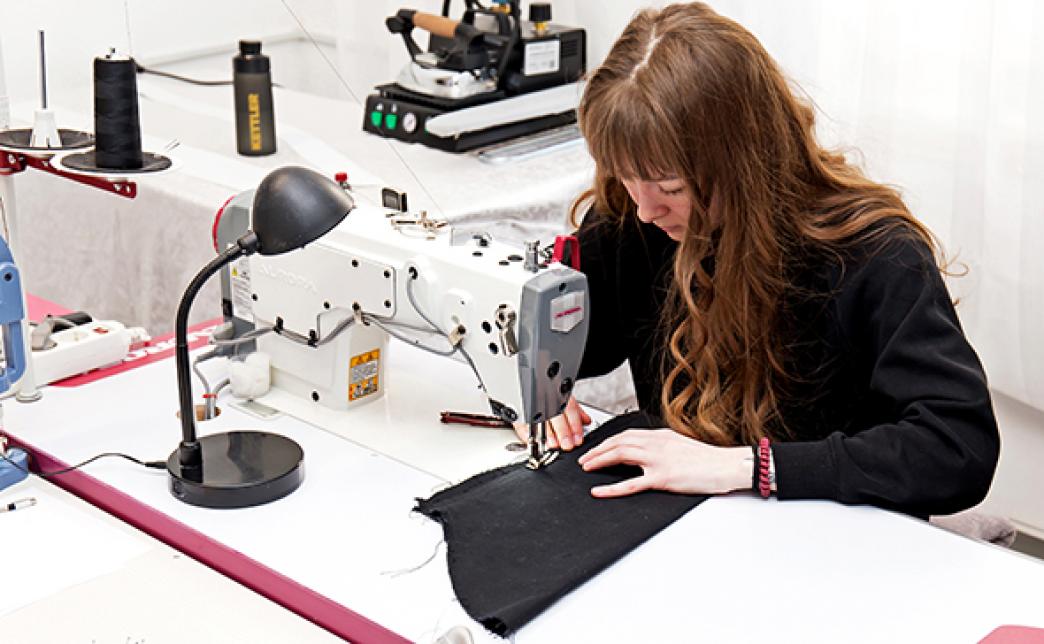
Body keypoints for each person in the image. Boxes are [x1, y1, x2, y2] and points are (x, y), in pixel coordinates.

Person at [527, 2, 999, 518]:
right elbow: (577, 344)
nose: (645, 209)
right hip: (694, 526)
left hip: (831, 534)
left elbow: (957, 449)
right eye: (625, 176)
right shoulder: (631, 220)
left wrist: (747, 467)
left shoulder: (875, 255)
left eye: (671, 187)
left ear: (742, 161)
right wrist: (537, 385)